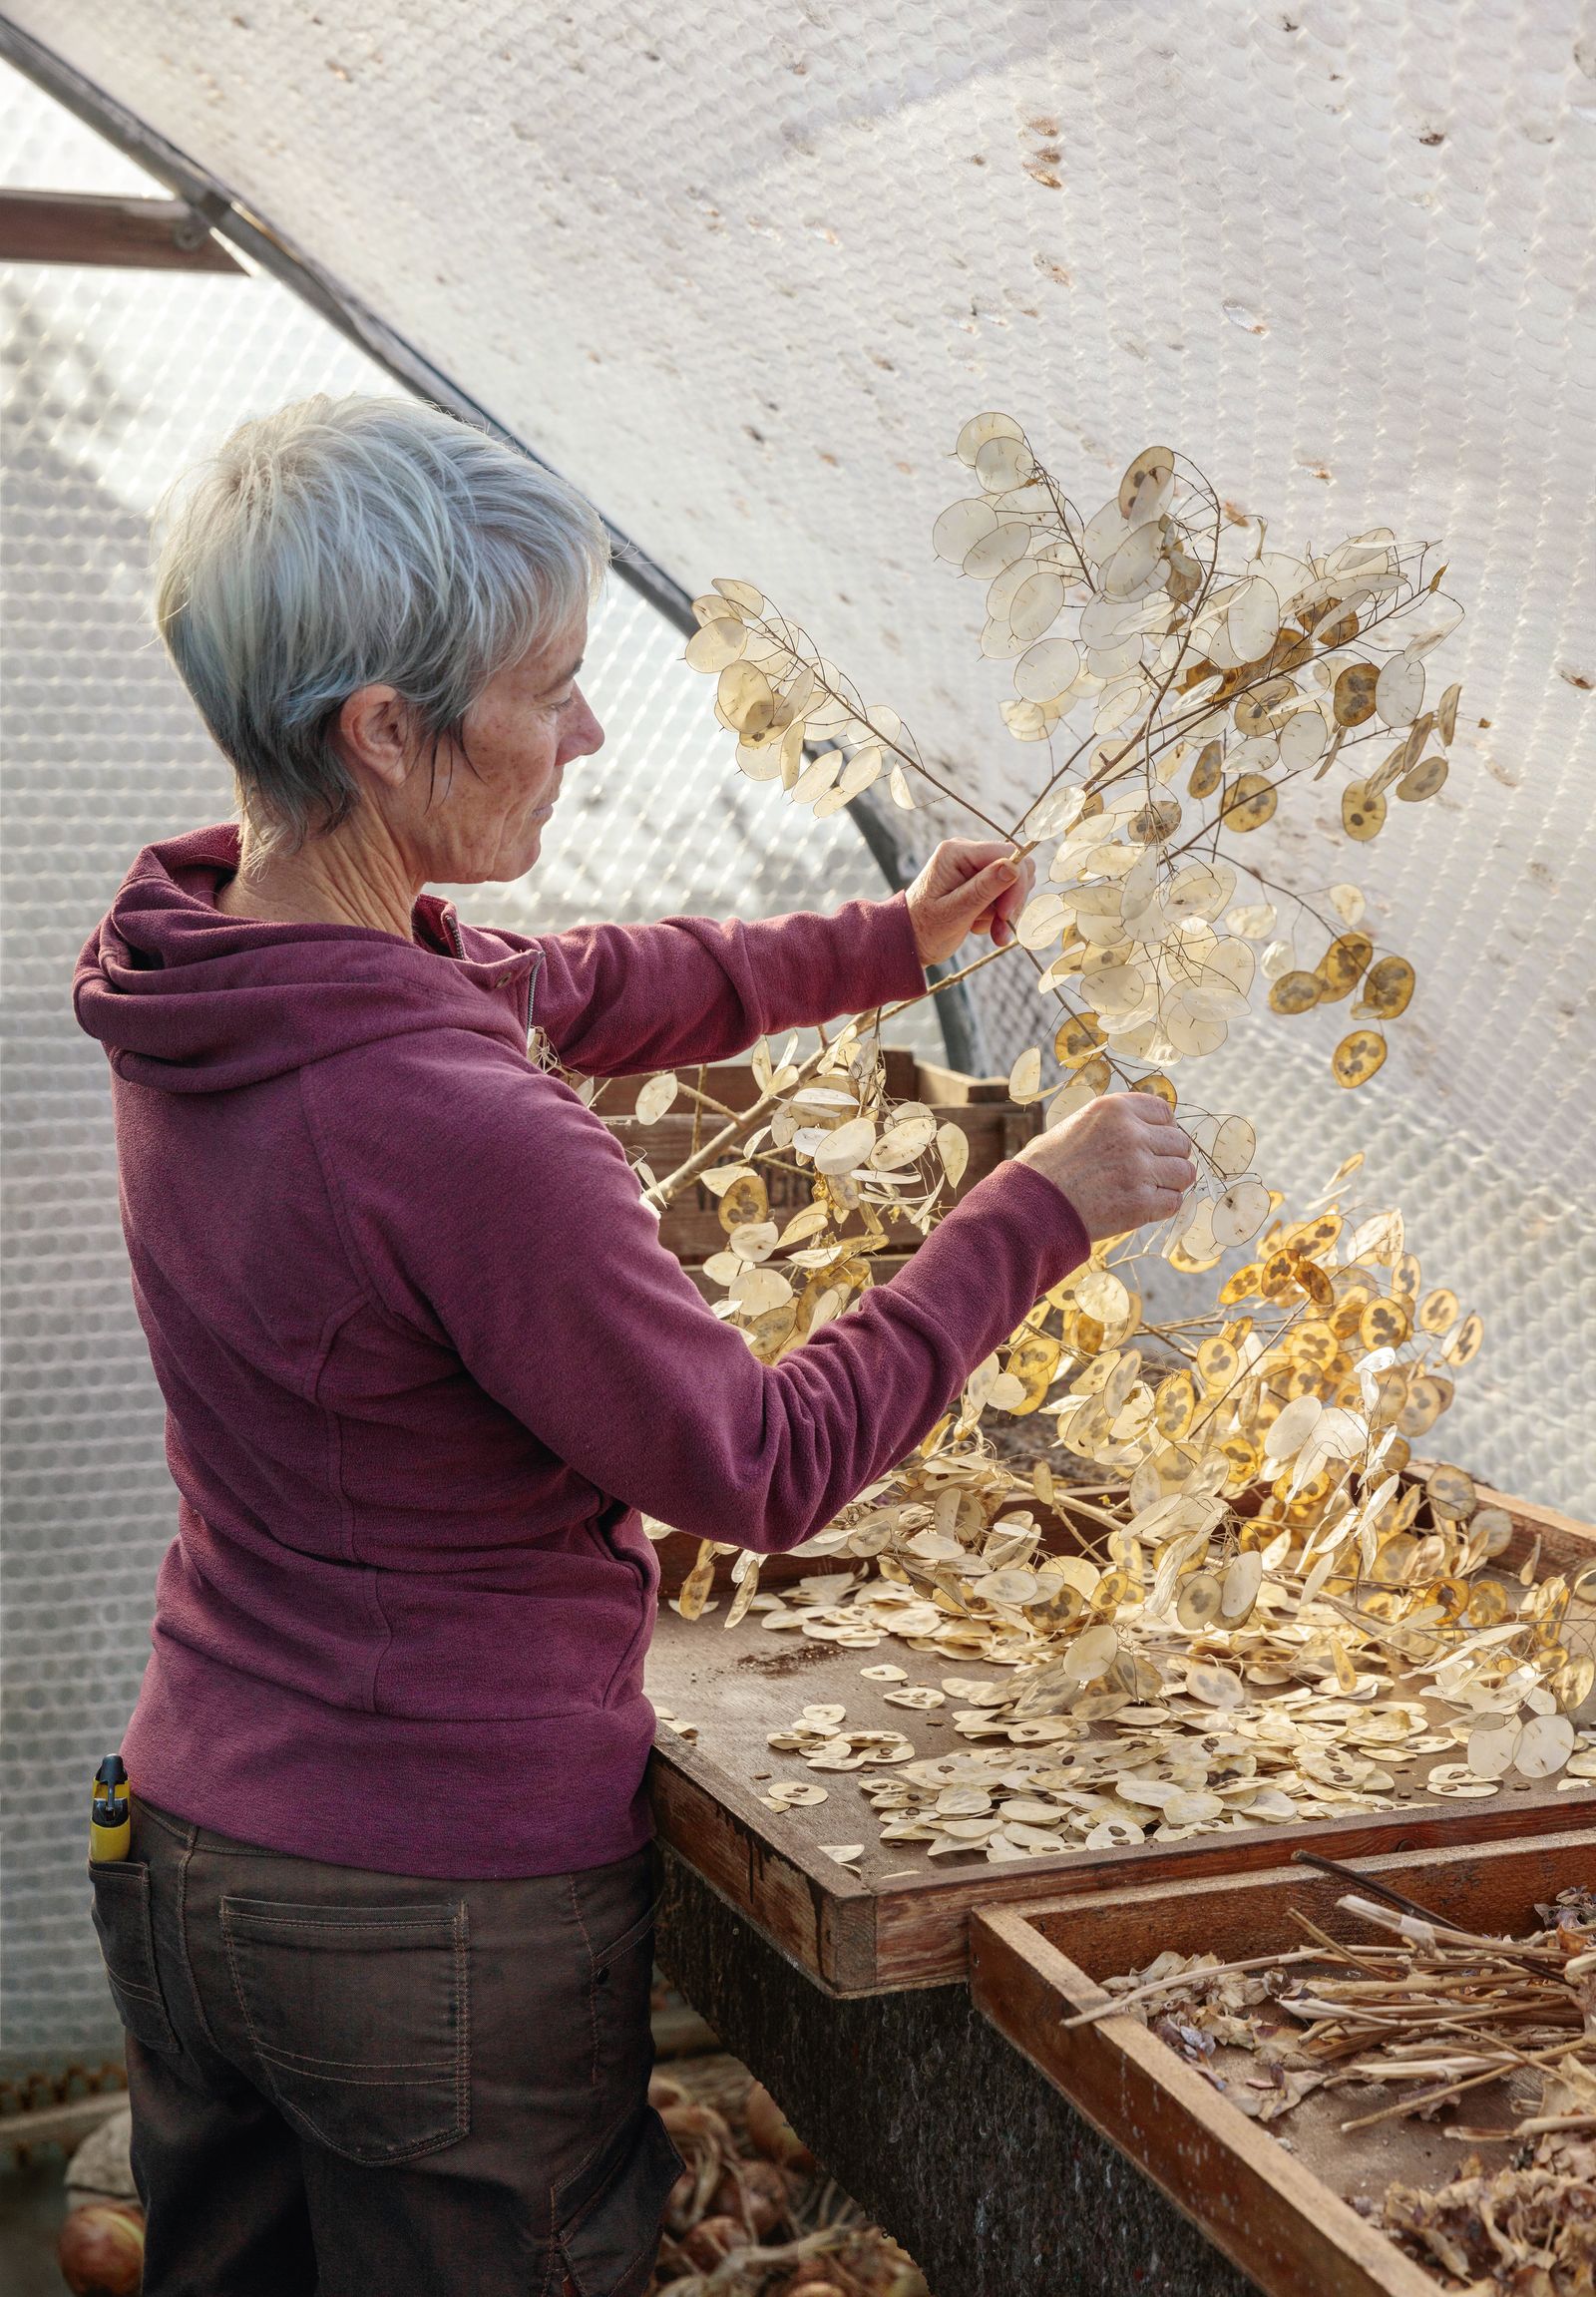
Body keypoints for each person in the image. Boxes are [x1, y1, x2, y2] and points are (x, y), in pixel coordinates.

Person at [73, 395, 1195, 2297]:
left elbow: (574, 985)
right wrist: (1043, 1210)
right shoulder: (452, 1126)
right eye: (549, 688)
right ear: (381, 729)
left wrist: (886, 944)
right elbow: (754, 1469)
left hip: (195, 1850)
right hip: (427, 1914)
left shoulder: (212, 965)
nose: (587, 734)